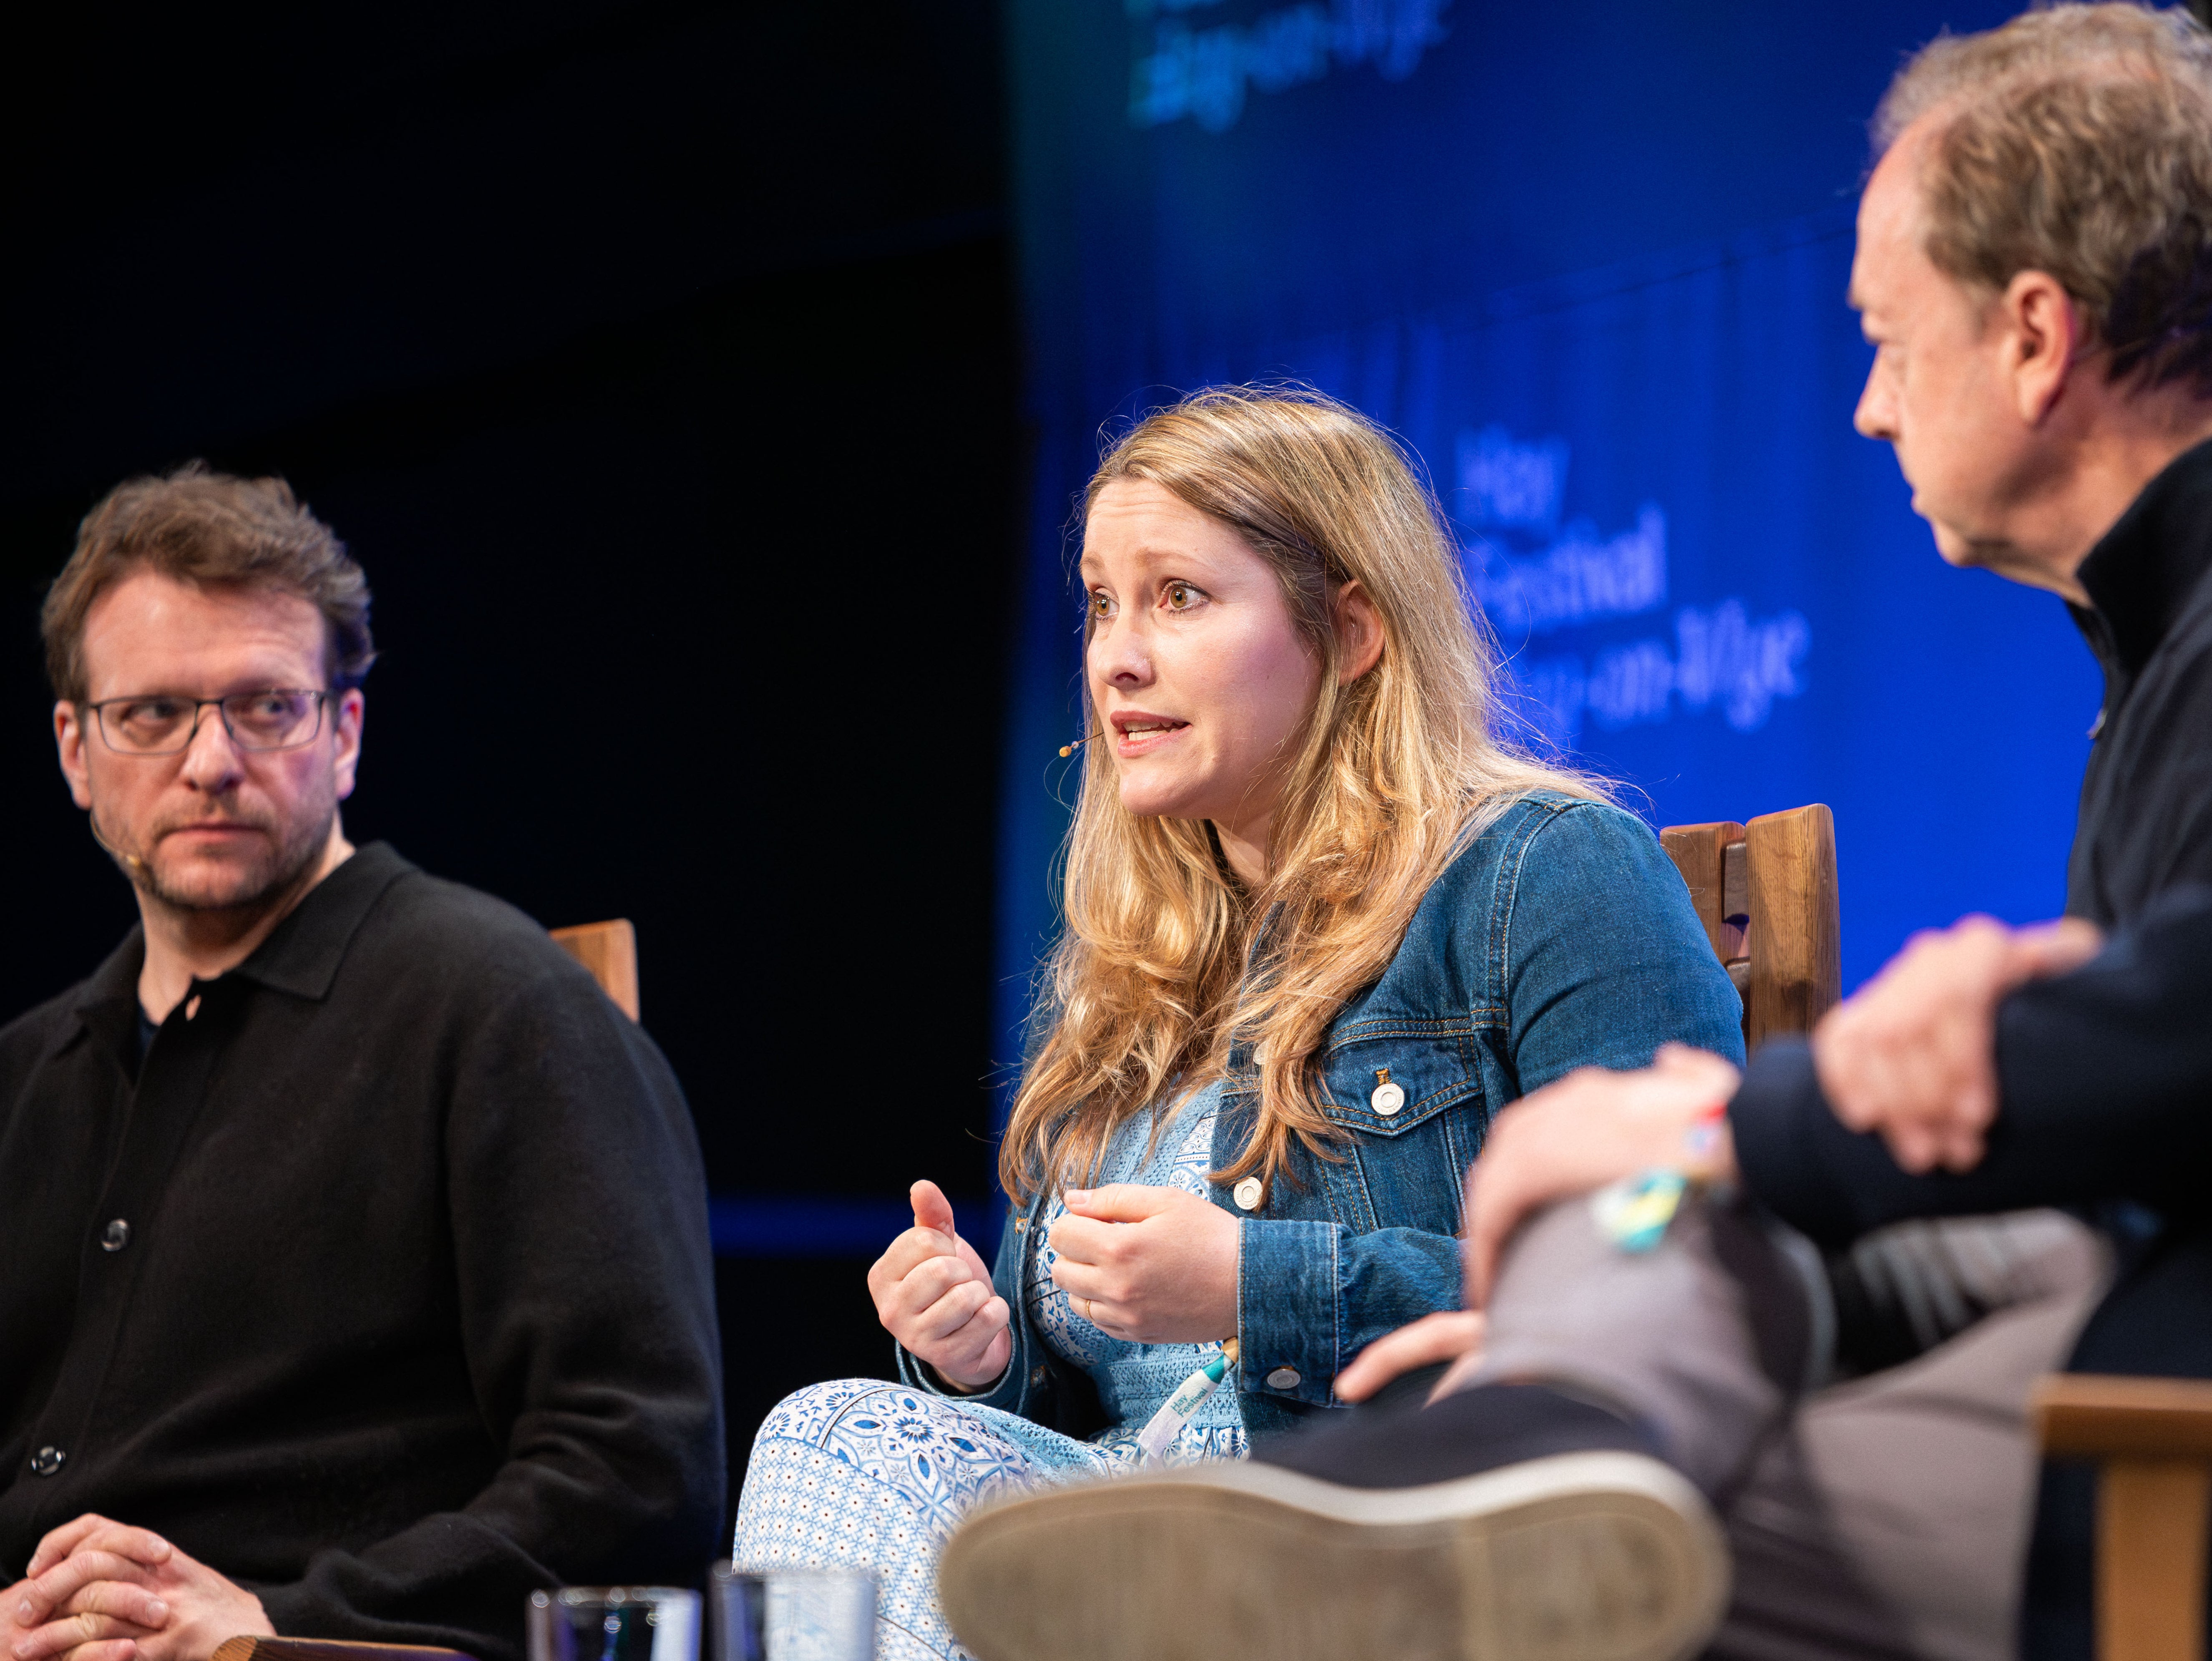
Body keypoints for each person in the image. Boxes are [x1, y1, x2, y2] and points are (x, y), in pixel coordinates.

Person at [933, 8, 2212, 1661]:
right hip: (2079, 1262)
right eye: (1107, 604)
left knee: (1666, 1278)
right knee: (1653, 1193)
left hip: (2148, 1351)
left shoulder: (1535, 868)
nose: (1872, 411)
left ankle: (1462, 1520)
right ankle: (1510, 1463)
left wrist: (1808, 1105)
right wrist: (1734, 1138)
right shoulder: (2149, 655)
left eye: (1892, 344)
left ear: (2035, 337)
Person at [727, 385, 1745, 1660]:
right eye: (1102, 602)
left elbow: (1679, 1257)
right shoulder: (1147, 962)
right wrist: (982, 1360)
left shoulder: (1545, 873)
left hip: (1396, 1539)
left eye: (1180, 597)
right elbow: (1105, 1403)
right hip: (1140, 1558)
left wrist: (1253, 1286)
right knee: (836, 1429)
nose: (1116, 656)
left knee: (841, 1448)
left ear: (1354, 630)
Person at [0, 466, 725, 1661]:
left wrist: (275, 1625)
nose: (211, 760)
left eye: (266, 707)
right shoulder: (24, 1081)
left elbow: (637, 1470)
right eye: (153, 715)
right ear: (76, 750)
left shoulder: (503, 1010)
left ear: (344, 732)